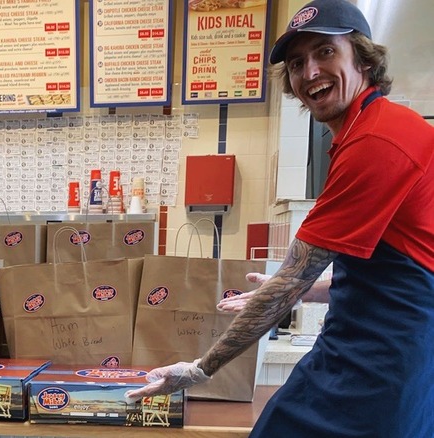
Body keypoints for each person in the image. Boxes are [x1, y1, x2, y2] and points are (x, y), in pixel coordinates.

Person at [125, 0, 434, 436]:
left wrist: (198, 370)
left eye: (325, 52)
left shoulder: (377, 141)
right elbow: (389, 275)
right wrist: (301, 293)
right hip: (368, 348)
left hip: (383, 364)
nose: (309, 73)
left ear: (363, 59)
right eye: (296, 62)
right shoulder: (370, 131)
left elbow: (294, 276)